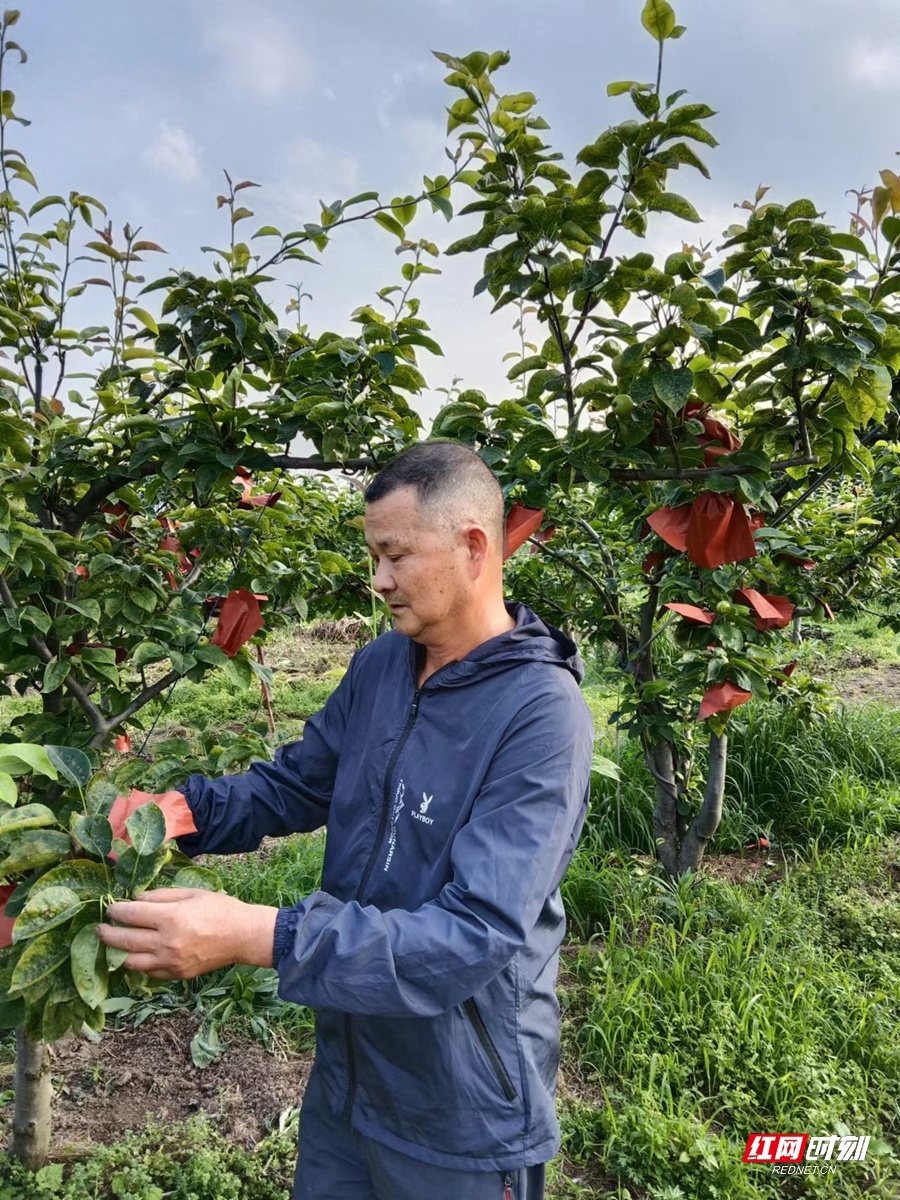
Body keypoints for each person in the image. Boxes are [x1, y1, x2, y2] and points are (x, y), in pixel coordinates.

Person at [98, 441, 594, 1200]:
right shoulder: (381, 667)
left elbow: (475, 934)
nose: (379, 580)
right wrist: (179, 813)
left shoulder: (539, 713)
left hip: (460, 1106)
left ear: (471, 547)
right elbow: (297, 783)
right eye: (374, 556)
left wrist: (255, 934)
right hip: (349, 1073)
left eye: (396, 556)